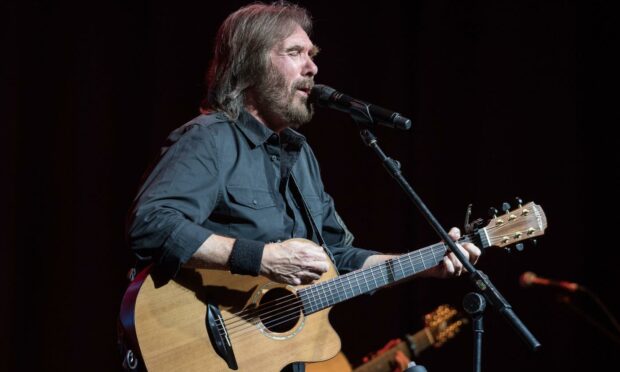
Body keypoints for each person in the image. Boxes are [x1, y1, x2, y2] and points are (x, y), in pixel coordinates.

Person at [126, 2, 481, 371]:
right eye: (295, 53)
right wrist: (262, 258)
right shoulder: (209, 140)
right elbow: (151, 223)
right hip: (197, 347)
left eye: (311, 55)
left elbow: (336, 260)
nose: (312, 67)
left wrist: (423, 264)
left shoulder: (300, 155)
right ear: (250, 65)